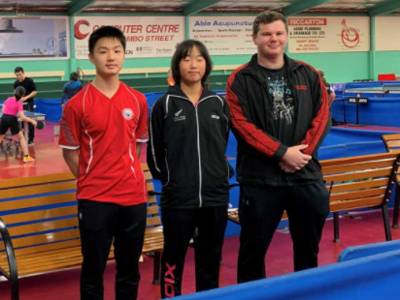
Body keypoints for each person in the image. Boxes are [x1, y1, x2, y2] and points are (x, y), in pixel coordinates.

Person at [226, 11, 330, 283]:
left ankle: (306, 291)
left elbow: (322, 117)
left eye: (278, 33)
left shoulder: (307, 73)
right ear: (255, 38)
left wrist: (301, 156)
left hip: (305, 177)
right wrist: (282, 153)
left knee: (308, 252)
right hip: (261, 181)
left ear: (286, 36)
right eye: (267, 34)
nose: (274, 39)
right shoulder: (240, 79)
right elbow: (241, 125)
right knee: (252, 254)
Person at [59, 26, 148, 300]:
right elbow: (70, 152)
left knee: (129, 271)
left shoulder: (138, 100)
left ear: (124, 55)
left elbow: (138, 145)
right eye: (103, 51)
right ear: (91, 57)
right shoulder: (76, 104)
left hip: (133, 198)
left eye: (117, 50)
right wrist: (91, 177)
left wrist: (125, 172)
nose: (111, 56)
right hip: (95, 199)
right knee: (93, 272)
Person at [147, 39, 230, 298]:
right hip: (178, 197)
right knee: (173, 257)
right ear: (177, 64)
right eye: (186, 58)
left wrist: (218, 174)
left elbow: (221, 143)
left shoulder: (218, 103)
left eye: (199, 58)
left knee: (210, 258)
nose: (193, 64)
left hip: (215, 196)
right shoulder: (165, 104)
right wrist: (171, 179)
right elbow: (154, 151)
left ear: (207, 64)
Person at [0, 86, 36, 163]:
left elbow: (3, 110)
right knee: (21, 137)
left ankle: (26, 156)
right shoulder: (19, 102)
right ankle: (26, 157)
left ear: (14, 92)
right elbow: (22, 117)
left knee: (1, 136)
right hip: (12, 119)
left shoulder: (8, 99)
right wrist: (32, 121)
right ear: (23, 95)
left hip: (4, 118)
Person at [14, 66, 37, 145]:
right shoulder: (16, 83)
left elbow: (34, 92)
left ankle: (31, 139)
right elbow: (15, 94)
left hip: (29, 104)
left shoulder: (29, 81)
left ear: (23, 73)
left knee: (30, 121)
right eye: (17, 75)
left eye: (20, 74)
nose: (18, 77)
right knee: (20, 121)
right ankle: (23, 138)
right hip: (20, 105)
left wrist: (25, 98)